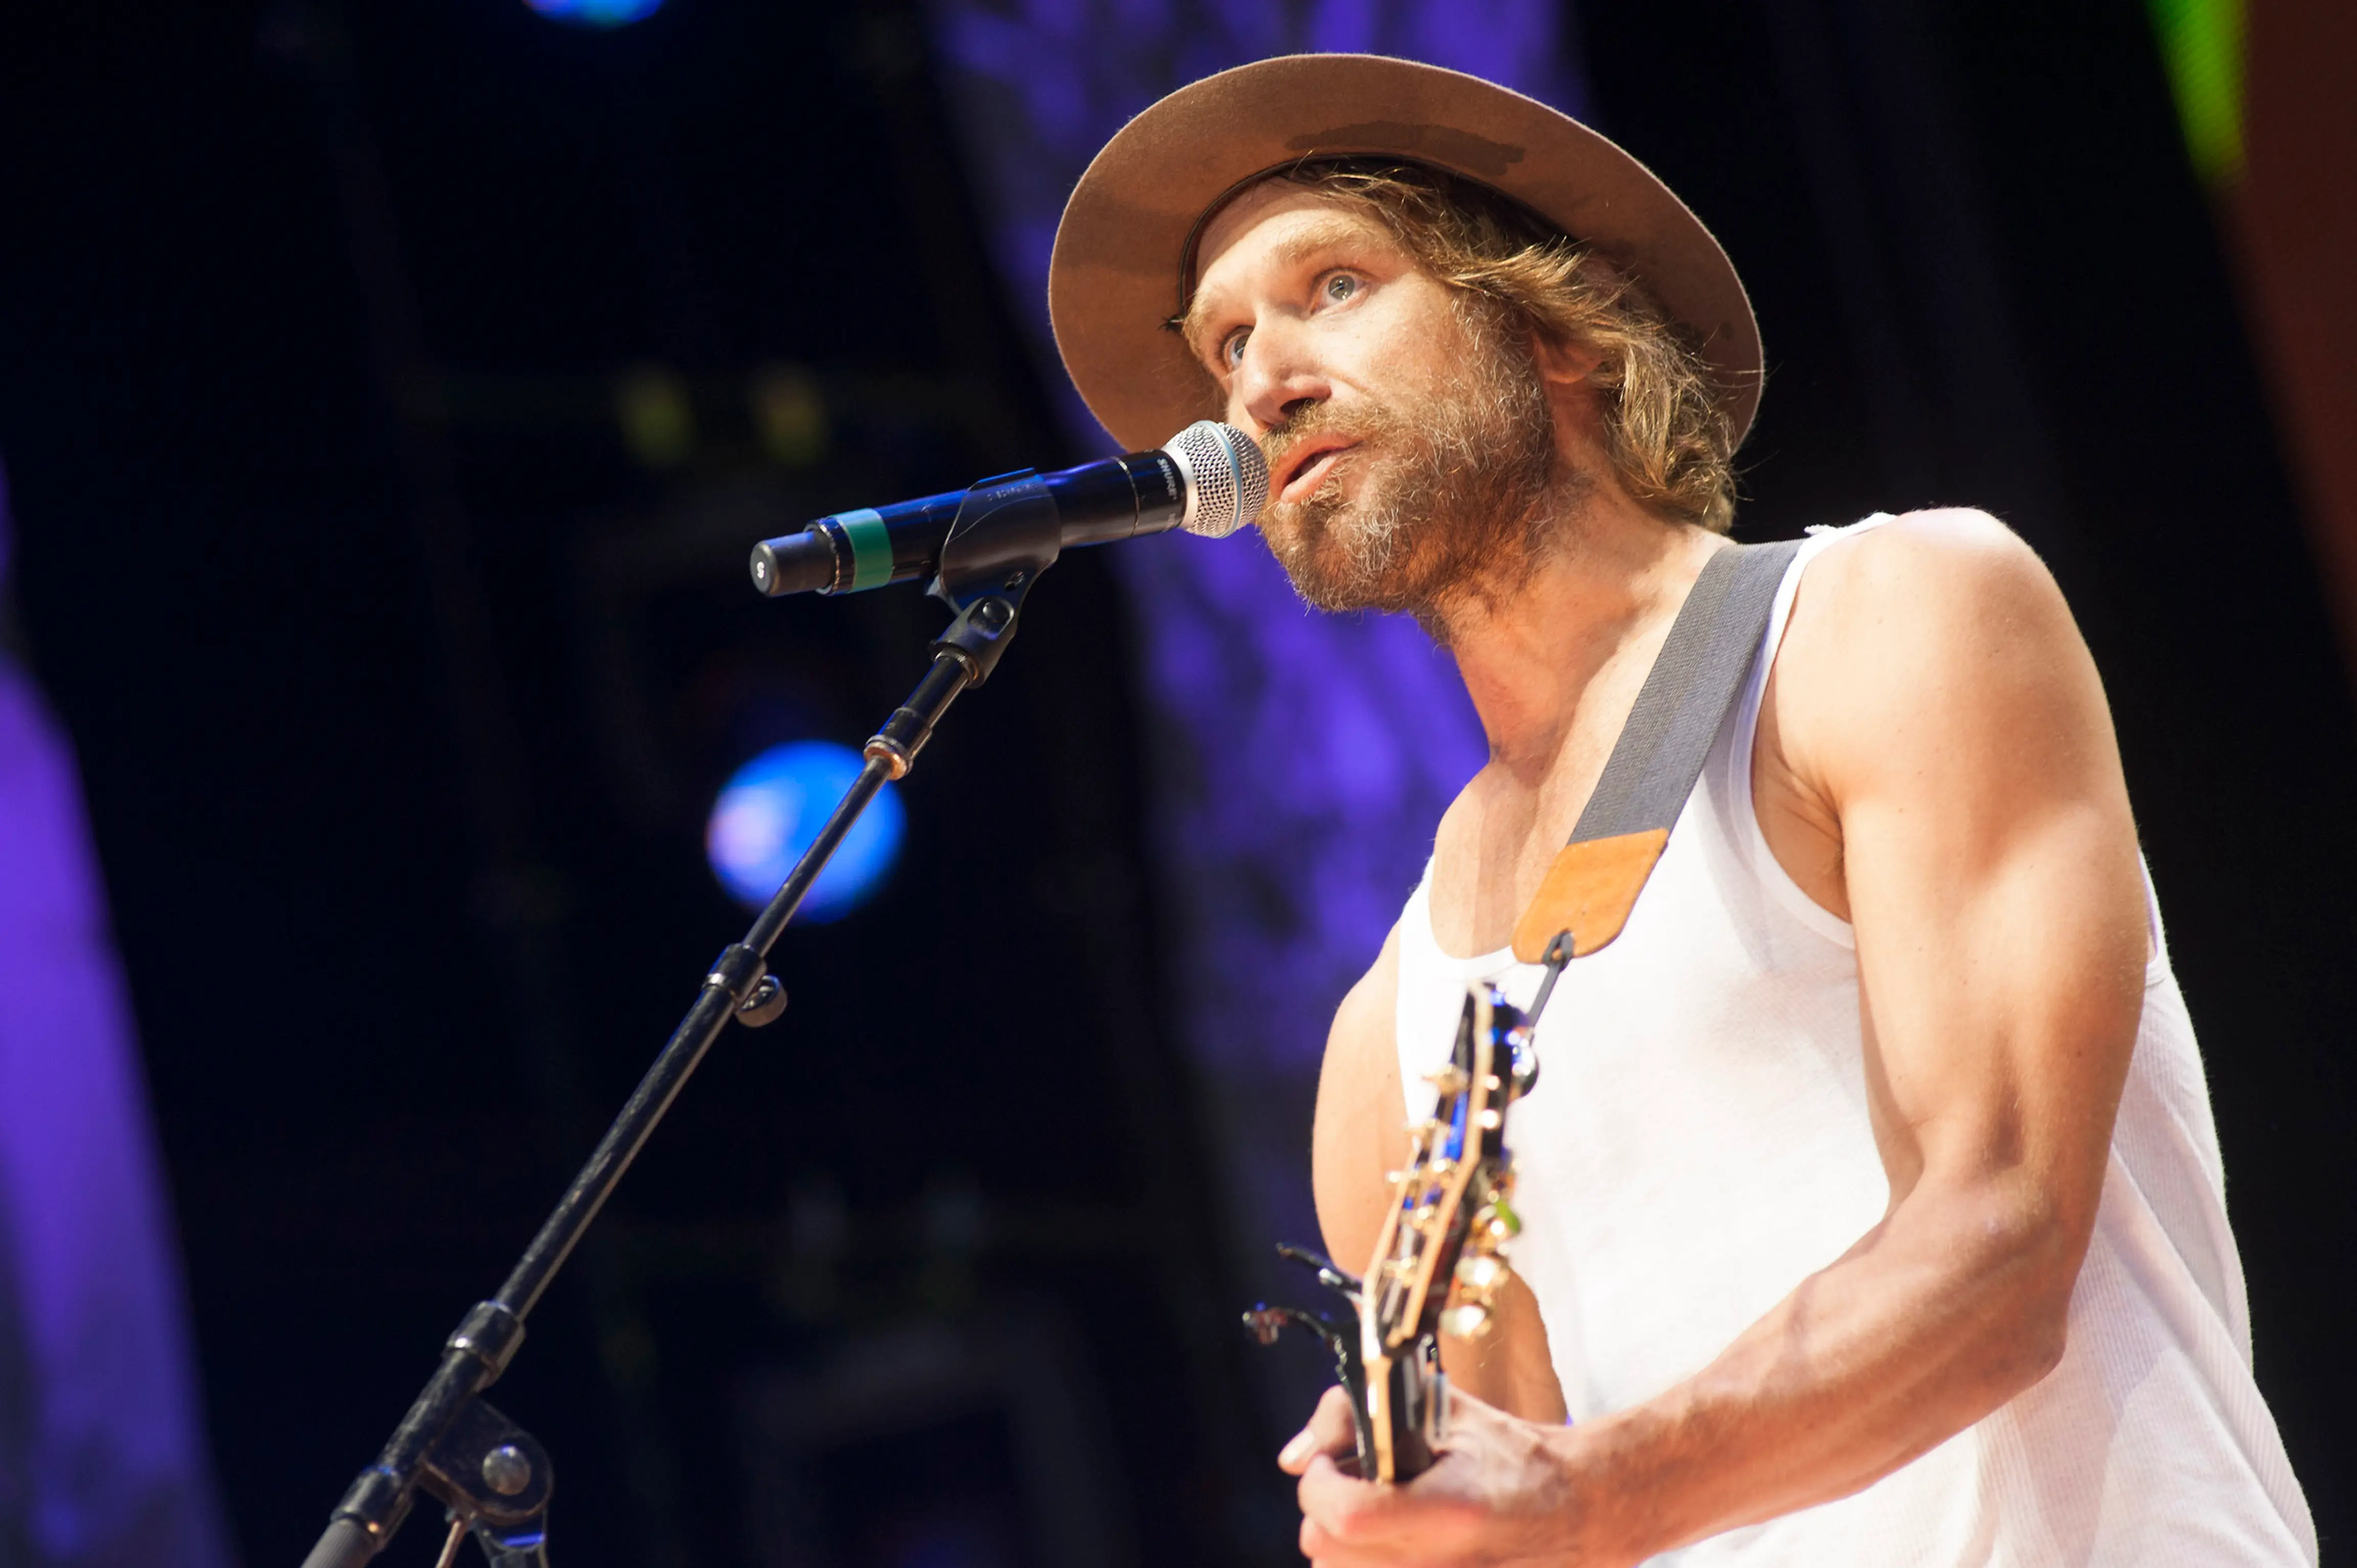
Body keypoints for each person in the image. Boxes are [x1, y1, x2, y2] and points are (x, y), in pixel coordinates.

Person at [1045, 55, 2316, 1566]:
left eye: (1333, 285)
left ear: (1557, 329)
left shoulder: (1885, 622)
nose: (1261, 382)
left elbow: (2001, 1243)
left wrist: (1592, 1489)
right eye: (1226, 343)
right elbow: (1510, 1517)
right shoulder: (1378, 1050)